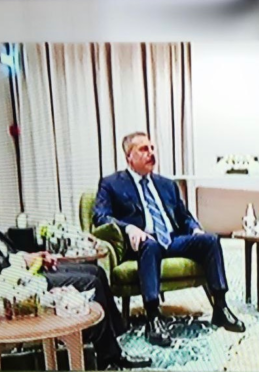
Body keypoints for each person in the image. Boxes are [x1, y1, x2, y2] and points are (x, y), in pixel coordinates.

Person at [0, 131, 151, 371]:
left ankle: (114, 345)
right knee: (90, 282)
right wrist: (20, 264)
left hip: (12, 267)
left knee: (94, 271)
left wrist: (25, 256)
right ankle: (107, 356)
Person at [92, 132, 245, 347]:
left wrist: (195, 229)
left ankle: (220, 307)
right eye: (143, 149)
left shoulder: (166, 185)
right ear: (129, 157)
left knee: (210, 240)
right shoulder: (111, 184)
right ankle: (153, 317)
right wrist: (129, 229)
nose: (151, 153)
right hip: (142, 244)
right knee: (150, 245)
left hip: (172, 240)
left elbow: (184, 216)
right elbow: (100, 216)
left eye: (152, 148)